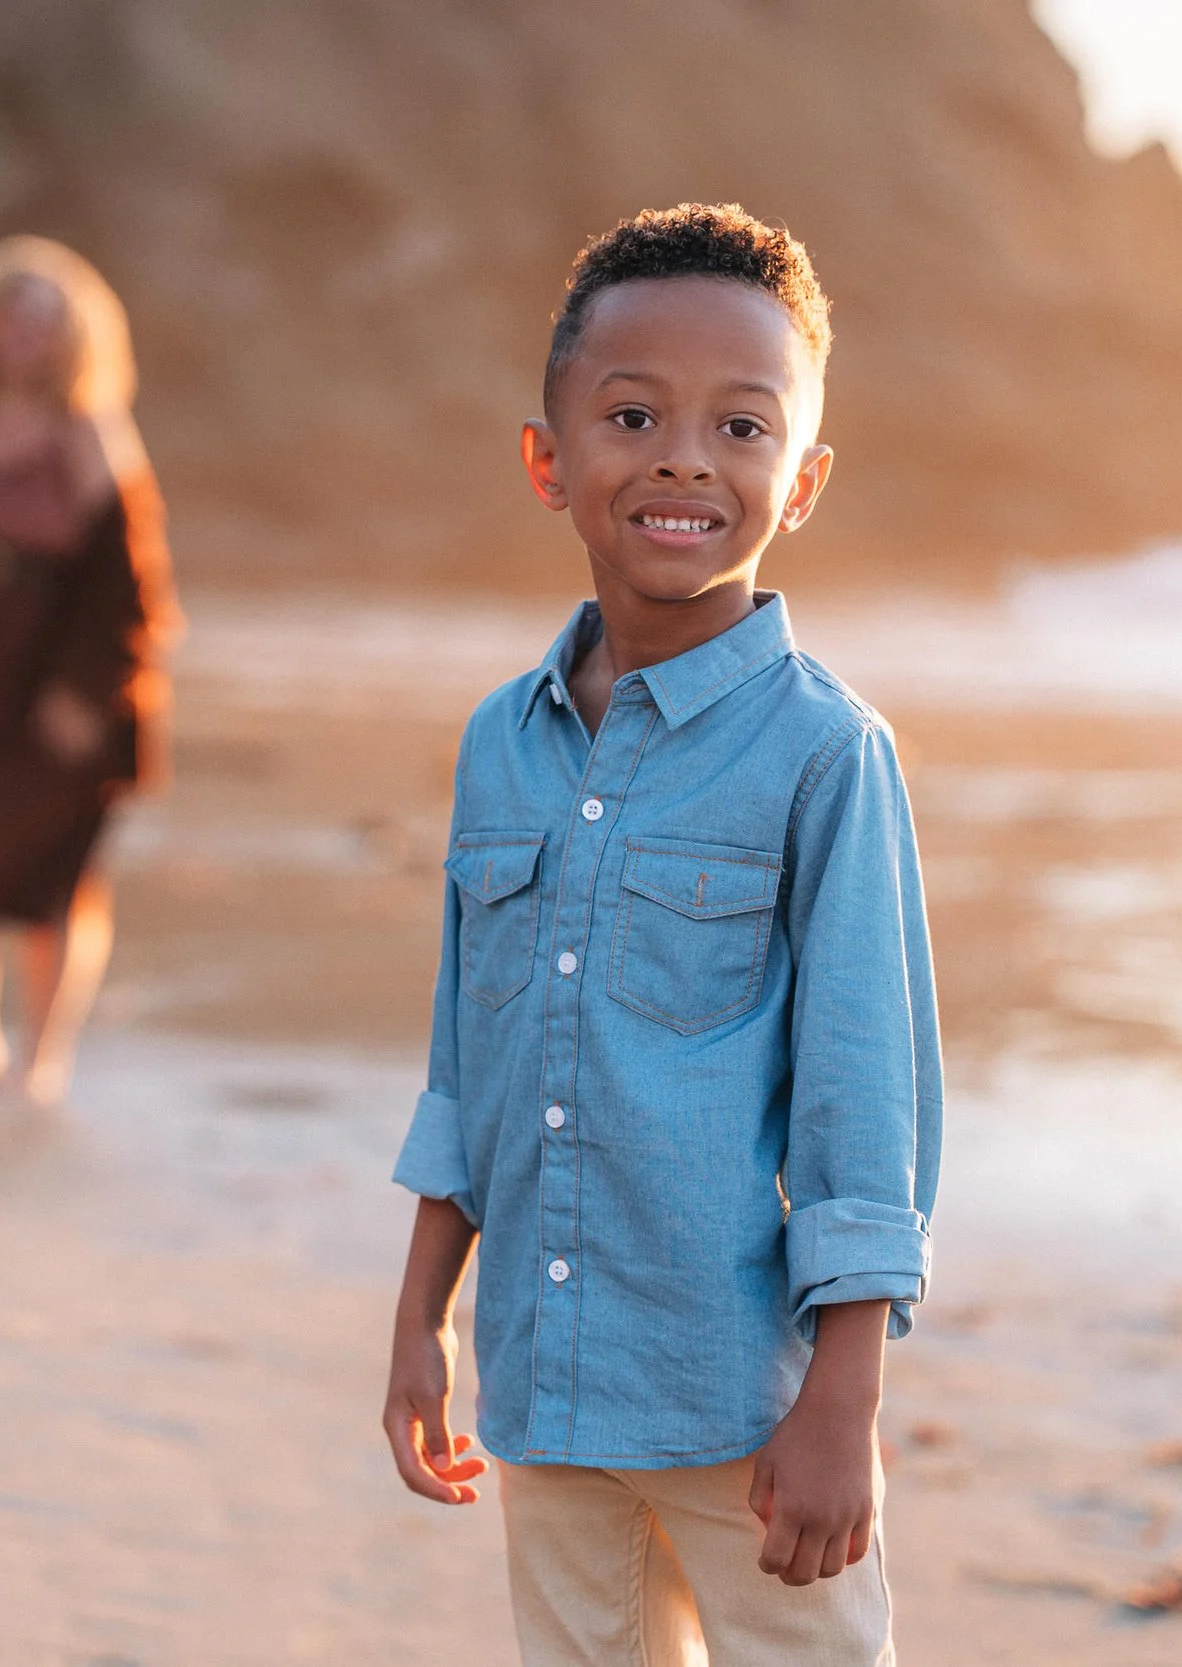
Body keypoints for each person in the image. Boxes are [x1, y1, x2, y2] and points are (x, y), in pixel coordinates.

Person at [380, 205, 942, 1666]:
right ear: (547, 458)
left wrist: (846, 1398)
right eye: (633, 414)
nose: (687, 456)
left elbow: (864, 1107)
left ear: (804, 479)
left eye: (743, 428)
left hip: (738, 1401)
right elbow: (468, 1065)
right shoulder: (501, 746)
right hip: (545, 1377)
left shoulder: (827, 756)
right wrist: (422, 1320)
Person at [0, 237, 180, 1109]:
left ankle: (42, 1056)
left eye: (47, 317)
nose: (26, 330)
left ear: (75, 336)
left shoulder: (90, 429)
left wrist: (83, 692)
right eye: (11, 310)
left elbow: (131, 581)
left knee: (59, 884)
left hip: (66, 687)